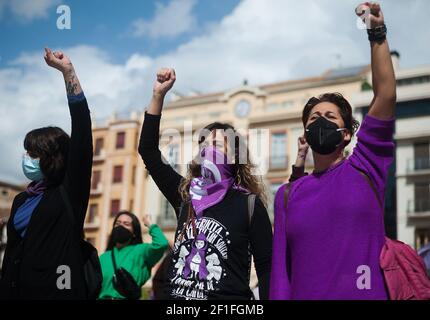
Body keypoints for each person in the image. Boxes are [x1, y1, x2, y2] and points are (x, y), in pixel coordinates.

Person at [270, 2, 397, 300]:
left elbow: (386, 94)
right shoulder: (287, 195)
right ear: (305, 134)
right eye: (314, 118)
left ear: (347, 133)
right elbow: (280, 274)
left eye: (330, 117)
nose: (321, 121)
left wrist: (376, 32)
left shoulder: (367, 165)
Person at [138, 68, 273, 300]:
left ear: (234, 157)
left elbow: (267, 269)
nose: (208, 150)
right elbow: (148, 151)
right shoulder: (185, 194)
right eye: (204, 145)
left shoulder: (249, 205)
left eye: (218, 145)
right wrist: (158, 95)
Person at [0, 48, 93, 299]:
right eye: (25, 152)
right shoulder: (21, 200)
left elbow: (82, 127)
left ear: (52, 158)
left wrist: (68, 72)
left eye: (33, 153)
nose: (26, 158)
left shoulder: (69, 192)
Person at [98, 212, 168, 300]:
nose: (121, 226)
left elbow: (161, 244)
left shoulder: (141, 251)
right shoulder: (103, 257)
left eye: (126, 224)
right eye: (117, 223)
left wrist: (150, 225)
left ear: (134, 232)